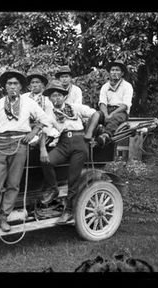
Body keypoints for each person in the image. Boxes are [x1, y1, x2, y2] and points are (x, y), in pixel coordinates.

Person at [0, 69, 51, 232]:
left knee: (13, 184)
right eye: (9, 83)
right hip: (1, 144)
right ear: (5, 87)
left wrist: (33, 133)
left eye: (16, 84)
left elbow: (45, 120)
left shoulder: (29, 103)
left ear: (21, 87)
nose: (12, 86)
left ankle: (4, 218)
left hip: (20, 145)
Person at [39, 80, 96, 224]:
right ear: (50, 99)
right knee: (47, 161)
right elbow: (44, 129)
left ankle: (69, 210)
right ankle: (53, 189)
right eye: (53, 96)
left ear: (64, 96)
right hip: (63, 143)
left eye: (59, 95)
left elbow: (95, 114)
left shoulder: (75, 107)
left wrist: (89, 133)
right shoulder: (49, 114)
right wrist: (47, 143)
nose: (56, 98)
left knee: (73, 179)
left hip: (79, 142)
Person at [83, 60, 133, 146]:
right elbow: (103, 103)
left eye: (117, 70)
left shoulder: (127, 86)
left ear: (122, 73)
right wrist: (106, 115)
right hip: (106, 110)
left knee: (114, 119)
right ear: (109, 73)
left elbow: (125, 105)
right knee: (96, 114)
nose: (114, 72)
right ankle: (88, 135)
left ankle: (105, 136)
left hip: (120, 112)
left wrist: (112, 114)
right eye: (112, 70)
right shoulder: (105, 86)